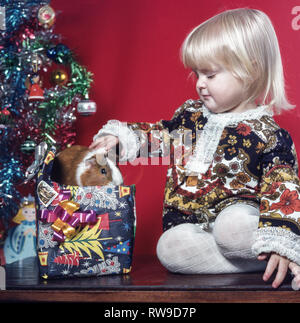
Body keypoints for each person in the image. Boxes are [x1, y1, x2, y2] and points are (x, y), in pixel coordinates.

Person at [89, 8, 300, 289]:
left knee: (233, 227)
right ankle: (257, 263)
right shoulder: (190, 119)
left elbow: (282, 189)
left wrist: (282, 239)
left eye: (210, 75)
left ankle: (276, 251)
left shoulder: (269, 136)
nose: (200, 84)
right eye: (196, 74)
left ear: (250, 70)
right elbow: (161, 138)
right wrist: (123, 140)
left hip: (240, 223)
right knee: (170, 248)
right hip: (193, 225)